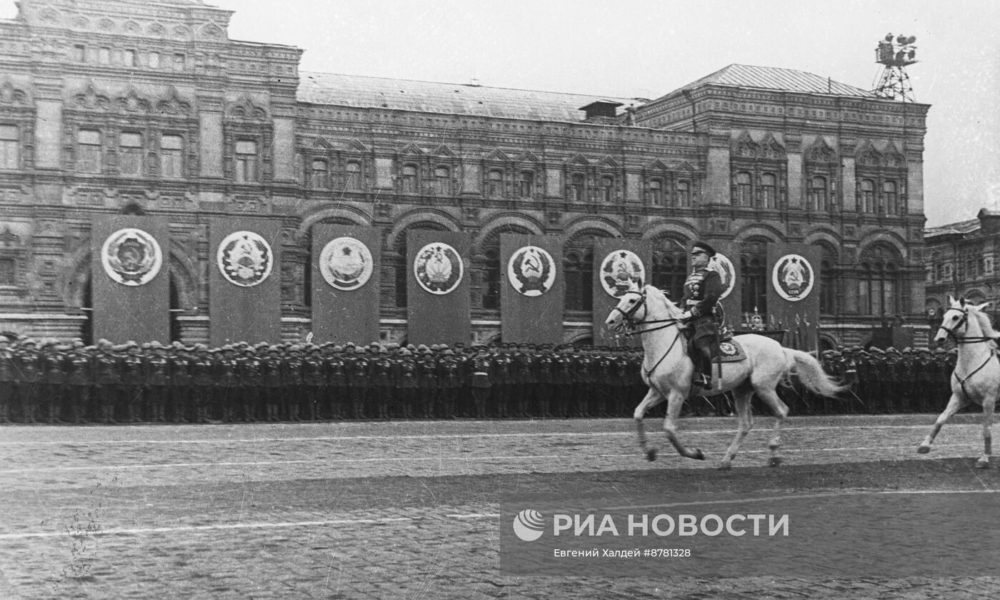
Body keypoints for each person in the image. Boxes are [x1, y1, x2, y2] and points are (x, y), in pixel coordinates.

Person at [680, 241, 724, 390]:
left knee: (701, 342)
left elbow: (711, 297)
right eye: (692, 254)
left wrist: (693, 312)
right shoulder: (690, 277)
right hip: (688, 317)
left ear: (707, 257)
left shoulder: (712, 275)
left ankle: (706, 377)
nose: (693, 256)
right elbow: (685, 298)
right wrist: (681, 312)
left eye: (697, 254)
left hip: (704, 318)